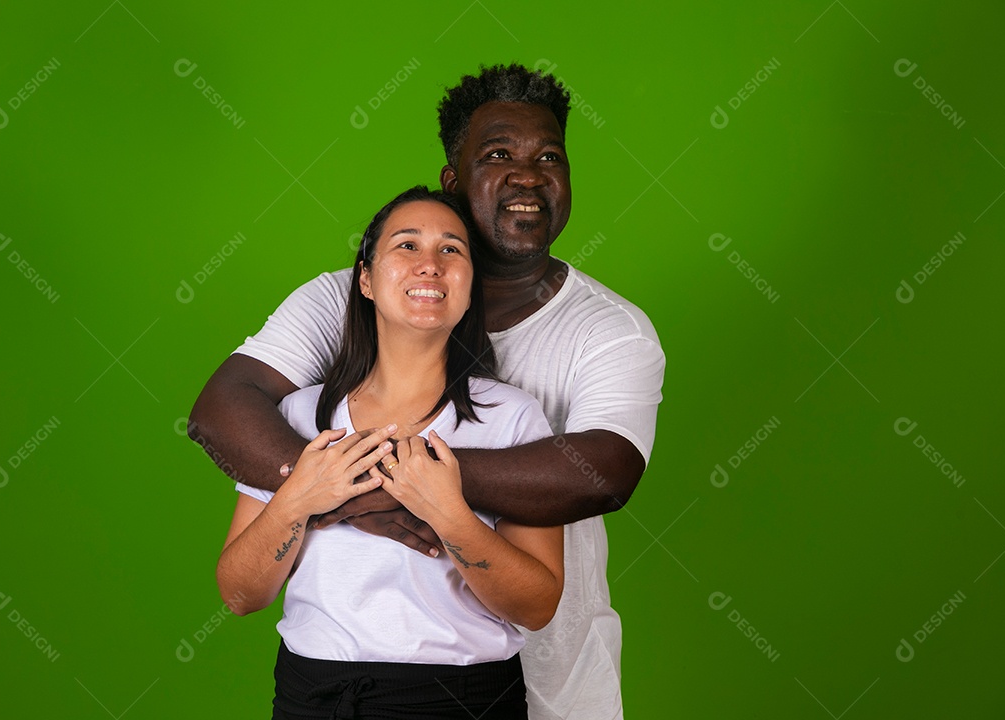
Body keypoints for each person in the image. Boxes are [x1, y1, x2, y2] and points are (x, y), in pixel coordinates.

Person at [191, 63, 666, 719]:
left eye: (549, 158)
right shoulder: (333, 314)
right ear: (453, 180)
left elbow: (602, 474)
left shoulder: (603, 336)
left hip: (543, 680)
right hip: (320, 689)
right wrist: (318, 490)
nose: (528, 176)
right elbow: (221, 412)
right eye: (498, 155)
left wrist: (402, 485)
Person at [217, 186, 564, 718]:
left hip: (460, 701)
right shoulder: (297, 416)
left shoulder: (513, 417)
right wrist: (297, 499)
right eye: (406, 245)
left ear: (470, 287)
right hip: (313, 698)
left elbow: (537, 607)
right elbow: (241, 595)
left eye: (451, 250)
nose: (430, 264)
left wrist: (448, 514)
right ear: (365, 279)